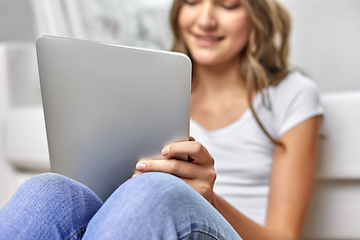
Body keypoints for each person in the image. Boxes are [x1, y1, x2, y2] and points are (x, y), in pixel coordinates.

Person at [0, 0, 323, 239]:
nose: (205, 20)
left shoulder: (291, 94)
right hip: (137, 225)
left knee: (157, 188)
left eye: (228, 5)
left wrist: (208, 200)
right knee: (49, 190)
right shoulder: (147, 89)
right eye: (192, 2)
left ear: (259, 15)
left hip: (215, 229)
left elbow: (285, 236)